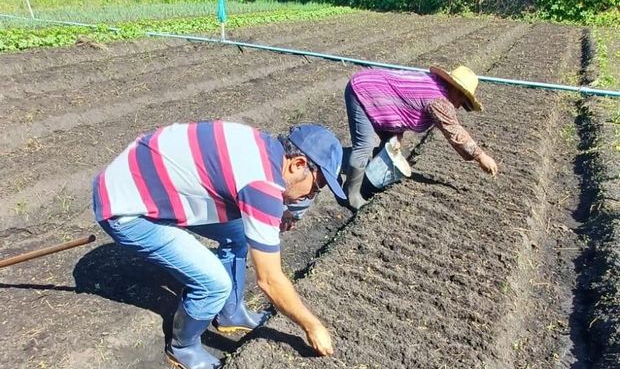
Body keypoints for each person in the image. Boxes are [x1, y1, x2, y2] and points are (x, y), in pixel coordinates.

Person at [92, 120, 345, 369]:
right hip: (125, 207)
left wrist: (280, 211)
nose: (311, 195)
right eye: (316, 186)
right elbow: (270, 280)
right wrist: (313, 325)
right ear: (298, 164)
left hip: (153, 178)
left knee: (238, 234)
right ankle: (183, 348)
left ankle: (231, 314)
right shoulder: (261, 185)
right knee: (213, 284)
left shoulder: (267, 150)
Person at [344, 65, 499, 210]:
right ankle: (352, 196)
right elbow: (454, 130)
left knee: (389, 145)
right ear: (456, 90)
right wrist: (481, 156)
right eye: (462, 102)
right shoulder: (439, 100)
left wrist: (397, 136)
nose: (459, 107)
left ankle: (368, 183)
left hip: (376, 92)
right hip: (363, 91)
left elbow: (403, 105)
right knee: (363, 146)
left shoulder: (435, 86)